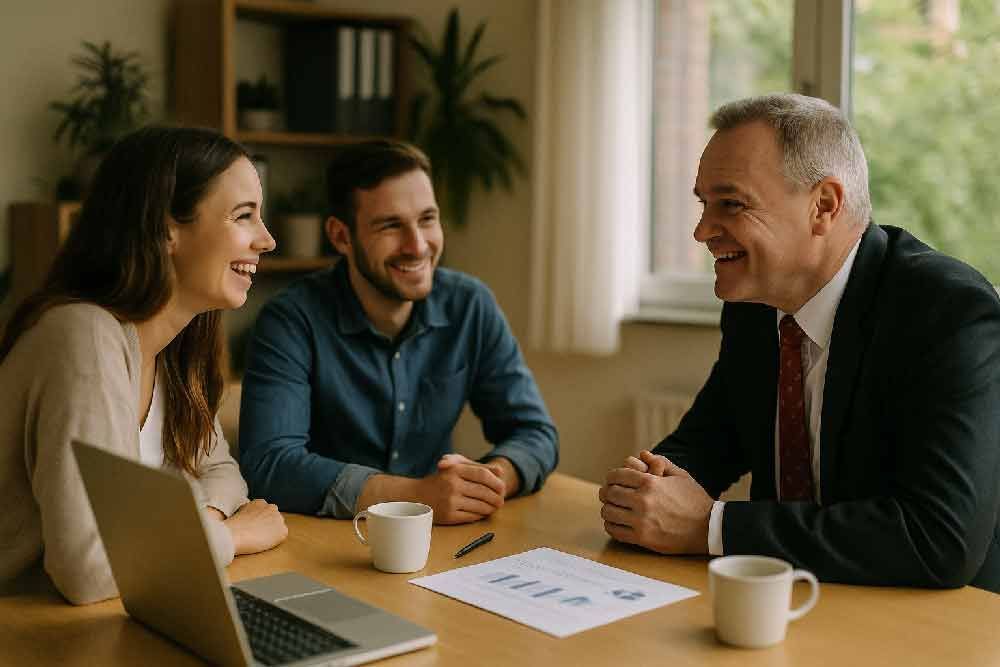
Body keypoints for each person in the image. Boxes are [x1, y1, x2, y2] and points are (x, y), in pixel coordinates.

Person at [599, 93, 1000, 592]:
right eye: (703, 204)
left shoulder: (947, 312)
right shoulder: (754, 307)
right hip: (800, 601)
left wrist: (711, 527)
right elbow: (710, 439)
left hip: (940, 623)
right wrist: (646, 489)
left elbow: (938, 539)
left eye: (732, 204)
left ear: (823, 207)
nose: (702, 231)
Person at [0, 126, 288, 605]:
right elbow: (91, 571)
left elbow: (223, 472)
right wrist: (230, 538)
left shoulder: (175, 351)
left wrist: (192, 528)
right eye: (244, 216)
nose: (268, 240)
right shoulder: (83, 336)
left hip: (100, 617)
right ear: (165, 228)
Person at [239, 139, 558, 524]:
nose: (417, 246)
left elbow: (535, 432)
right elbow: (271, 465)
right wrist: (414, 497)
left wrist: (488, 482)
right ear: (341, 236)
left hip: (435, 544)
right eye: (391, 225)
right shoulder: (290, 321)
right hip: (327, 540)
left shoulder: (470, 305)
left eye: (427, 219)